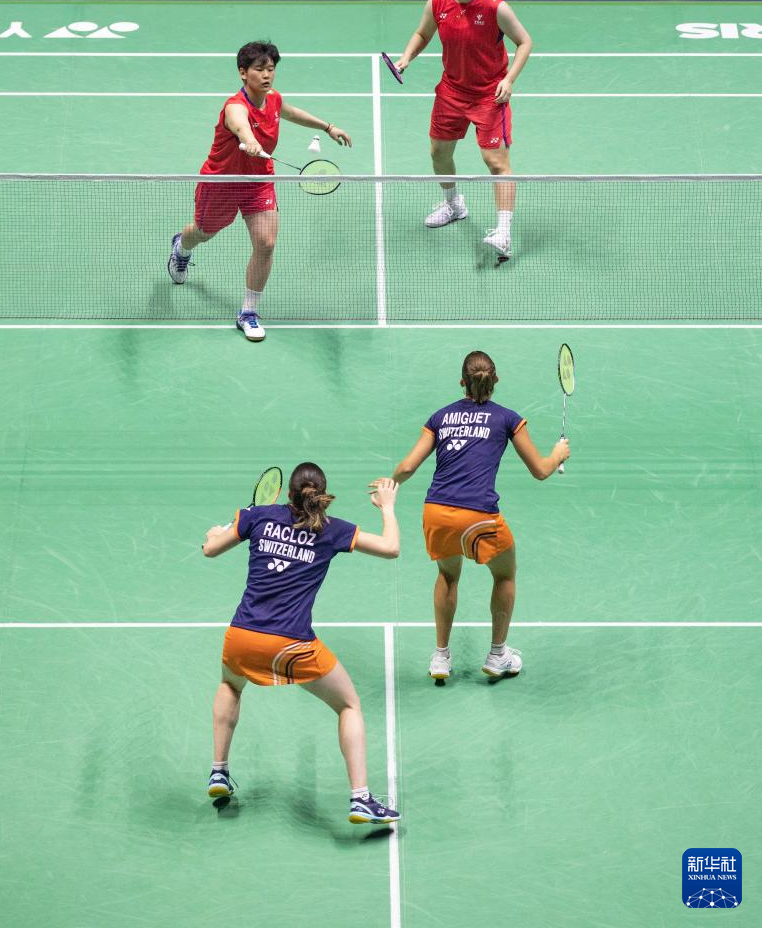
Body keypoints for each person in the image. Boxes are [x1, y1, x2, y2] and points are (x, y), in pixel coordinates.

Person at [201, 464, 401, 825]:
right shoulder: (332, 529)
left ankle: (218, 771)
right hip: (292, 645)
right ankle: (361, 799)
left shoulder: (256, 516)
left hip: (242, 636)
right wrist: (387, 507)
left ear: (288, 493)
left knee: (230, 684)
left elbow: (210, 549)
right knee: (349, 705)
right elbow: (391, 548)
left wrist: (215, 533)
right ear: (320, 495)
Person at [384, 351, 569, 682]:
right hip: (479, 517)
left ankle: (441, 657)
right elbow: (541, 470)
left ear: (462, 382)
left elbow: (408, 466)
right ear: (495, 381)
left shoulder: (440, 417)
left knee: (448, 576)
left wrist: (390, 485)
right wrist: (557, 455)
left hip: (437, 513)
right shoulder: (508, 418)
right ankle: (498, 655)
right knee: (505, 575)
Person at [167, 41, 352, 342]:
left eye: (271, 69)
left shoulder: (273, 99)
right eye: (259, 69)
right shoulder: (234, 107)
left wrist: (327, 126)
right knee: (202, 232)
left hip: (258, 180)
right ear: (243, 73)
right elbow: (240, 125)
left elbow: (290, 113)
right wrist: (249, 139)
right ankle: (181, 248)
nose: (267, 75)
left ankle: (248, 312)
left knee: (266, 243)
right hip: (222, 182)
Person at [395, 0, 532, 263]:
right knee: (439, 153)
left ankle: (504, 232)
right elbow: (422, 33)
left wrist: (509, 80)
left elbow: (525, 42)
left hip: (488, 95)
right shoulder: (438, 1)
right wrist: (406, 57)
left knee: (496, 162)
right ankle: (454, 205)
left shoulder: (495, 7)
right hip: (451, 91)